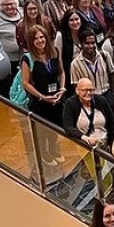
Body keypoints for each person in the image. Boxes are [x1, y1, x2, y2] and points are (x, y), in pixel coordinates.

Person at [21, 26, 66, 165]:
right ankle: (45, 154)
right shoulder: (27, 58)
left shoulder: (54, 52)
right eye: (36, 38)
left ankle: (53, 150)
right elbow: (26, 83)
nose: (40, 40)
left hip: (56, 98)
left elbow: (61, 72)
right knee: (43, 131)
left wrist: (62, 88)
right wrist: (41, 96)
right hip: (40, 101)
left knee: (54, 128)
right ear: (31, 41)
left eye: (42, 37)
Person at [62, 77, 114, 147]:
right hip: (84, 145)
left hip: (104, 144)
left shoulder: (101, 100)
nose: (88, 93)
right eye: (85, 90)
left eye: (91, 90)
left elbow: (113, 122)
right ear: (77, 91)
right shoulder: (70, 103)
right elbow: (68, 127)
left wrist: (112, 142)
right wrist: (83, 137)